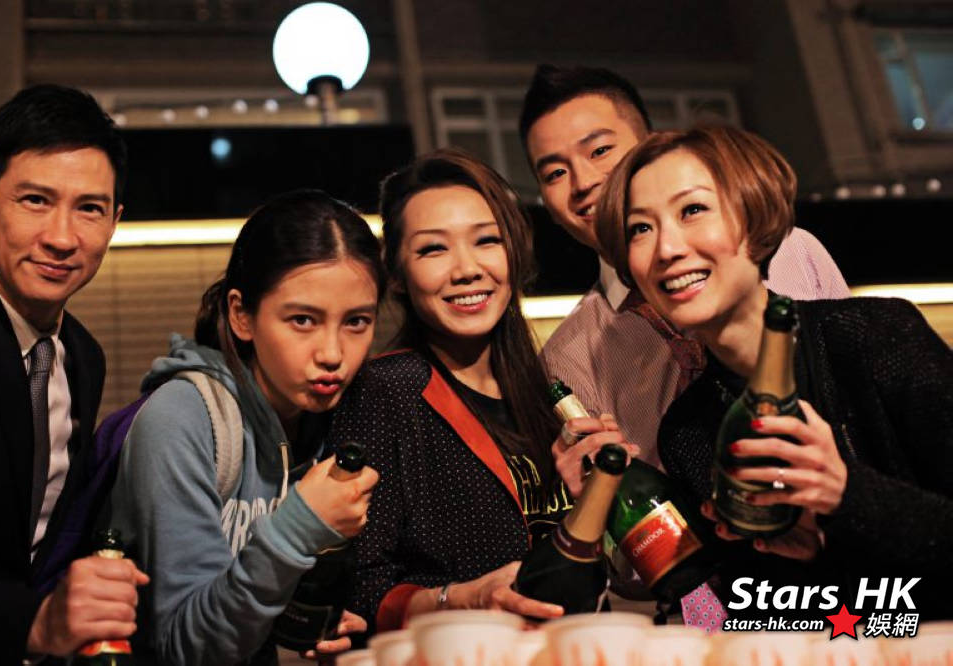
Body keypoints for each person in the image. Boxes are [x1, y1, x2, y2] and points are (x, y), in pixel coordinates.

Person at [596, 124, 953, 618]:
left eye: (693, 210)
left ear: (756, 216)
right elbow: (737, 617)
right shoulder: (688, 431)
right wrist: (796, 562)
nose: (667, 249)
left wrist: (846, 494)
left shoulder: (876, 338)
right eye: (640, 228)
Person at [328, 148, 639, 635]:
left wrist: (602, 496)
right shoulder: (385, 392)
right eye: (434, 249)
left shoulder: (547, 391)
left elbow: (588, 570)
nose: (467, 269)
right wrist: (462, 599)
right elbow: (356, 588)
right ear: (398, 275)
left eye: (487, 240)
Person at [519, 65, 851, 494]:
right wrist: (595, 498)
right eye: (554, 174)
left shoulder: (793, 250)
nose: (582, 182)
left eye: (599, 150)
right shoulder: (568, 359)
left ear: (650, 146)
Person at [107, 191, 383, 664]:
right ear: (241, 316)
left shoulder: (336, 422)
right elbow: (187, 646)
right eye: (302, 320)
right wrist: (297, 531)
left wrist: (317, 618)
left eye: (356, 322)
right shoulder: (183, 419)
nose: (333, 353)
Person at [0, 84, 148, 663]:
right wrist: (32, 623)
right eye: (35, 200)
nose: (62, 238)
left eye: (89, 208)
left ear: (114, 221)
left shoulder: (82, 356)